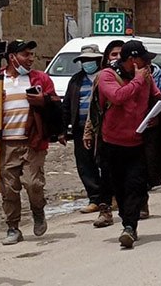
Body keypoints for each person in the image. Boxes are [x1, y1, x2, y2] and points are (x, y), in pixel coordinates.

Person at [97, 40, 161, 248]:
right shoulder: (108, 75)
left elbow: (157, 98)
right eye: (143, 59)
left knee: (136, 185)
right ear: (132, 60)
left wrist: (156, 116)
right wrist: (136, 80)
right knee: (120, 187)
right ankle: (127, 220)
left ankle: (129, 226)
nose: (146, 63)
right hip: (113, 143)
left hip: (138, 142)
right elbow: (117, 97)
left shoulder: (146, 77)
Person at [0, 40, 60, 246]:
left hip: (33, 141)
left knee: (33, 184)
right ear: (12, 58)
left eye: (32, 54)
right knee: (9, 188)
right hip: (6, 144)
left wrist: (44, 101)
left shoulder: (40, 79)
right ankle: (13, 227)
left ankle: (38, 210)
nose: (31, 59)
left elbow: (56, 108)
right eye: (26, 54)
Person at [82, 40, 123, 228]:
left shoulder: (136, 75)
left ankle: (133, 209)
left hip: (131, 134)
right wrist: (88, 132)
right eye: (113, 54)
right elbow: (94, 107)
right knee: (106, 172)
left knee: (131, 175)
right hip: (106, 134)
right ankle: (105, 210)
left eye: (121, 54)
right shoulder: (102, 77)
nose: (117, 58)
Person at [60, 45, 104, 215]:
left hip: (101, 127)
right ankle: (94, 198)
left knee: (104, 162)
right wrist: (63, 130)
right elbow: (66, 106)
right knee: (85, 164)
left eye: (90, 60)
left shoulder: (105, 77)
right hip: (79, 128)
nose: (87, 64)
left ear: (98, 60)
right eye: (84, 61)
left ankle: (110, 195)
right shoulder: (76, 80)